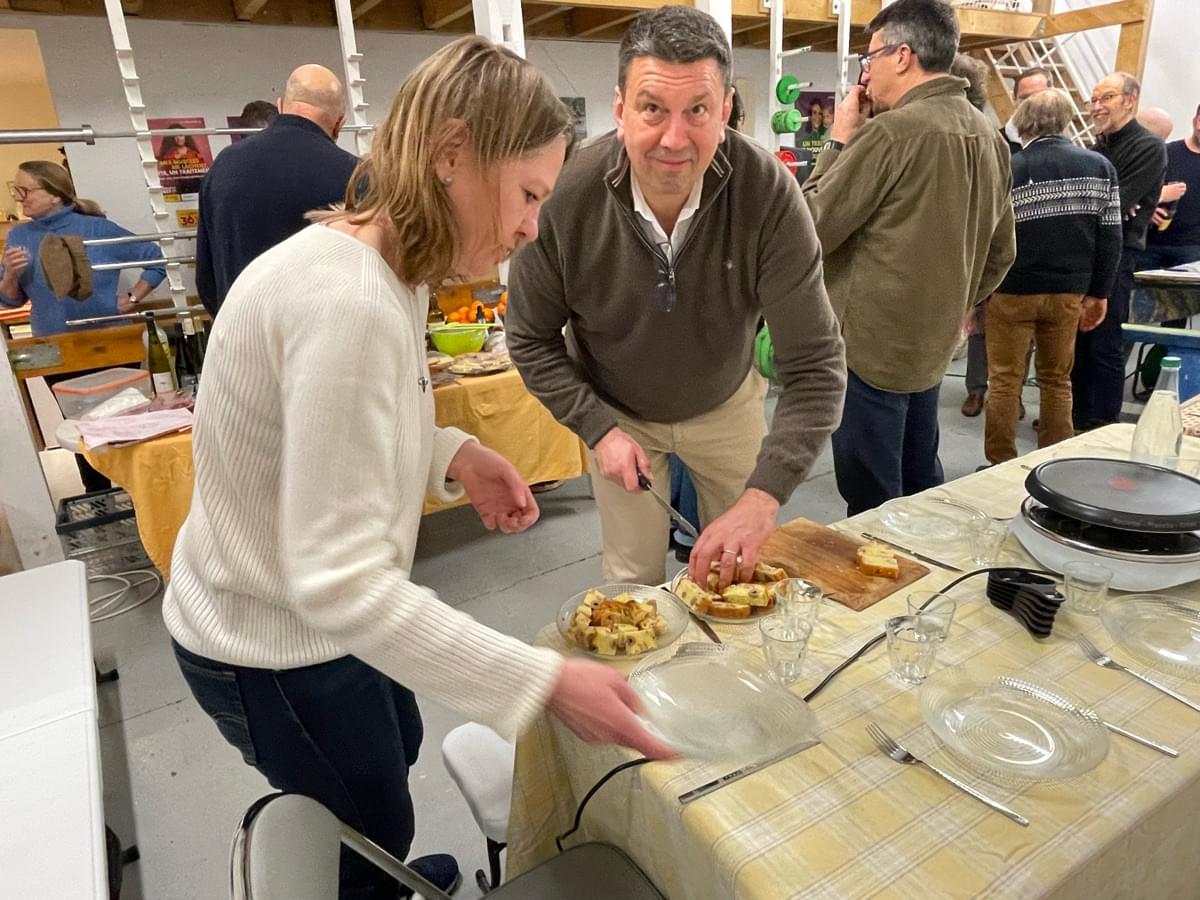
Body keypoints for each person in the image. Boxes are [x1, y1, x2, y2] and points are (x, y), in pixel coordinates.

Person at [164, 37, 672, 900]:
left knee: (389, 753)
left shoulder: (378, 271)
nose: (530, 228)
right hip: (270, 643)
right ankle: (377, 875)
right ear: (450, 155)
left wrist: (454, 453)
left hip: (297, 620)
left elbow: (329, 436)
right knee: (363, 818)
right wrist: (541, 682)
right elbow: (338, 583)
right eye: (527, 195)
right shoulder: (352, 300)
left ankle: (384, 863)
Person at [508, 5, 846, 588]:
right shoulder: (565, 196)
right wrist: (597, 428)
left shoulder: (768, 195)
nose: (674, 138)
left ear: (726, 111)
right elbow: (530, 339)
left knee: (743, 569)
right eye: (652, 108)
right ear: (619, 108)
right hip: (619, 413)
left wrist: (764, 499)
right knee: (631, 579)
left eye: (698, 111)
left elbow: (816, 367)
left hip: (727, 399)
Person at [801, 0, 1014, 516]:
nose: (865, 73)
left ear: (902, 55)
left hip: (869, 352)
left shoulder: (892, 133)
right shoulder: (990, 135)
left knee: (873, 504)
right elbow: (1002, 251)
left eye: (868, 58)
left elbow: (809, 228)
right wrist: (958, 301)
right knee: (924, 488)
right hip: (934, 347)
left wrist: (837, 140)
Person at [0, 161, 166, 491]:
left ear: (53, 194)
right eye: (15, 190)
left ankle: (139, 496)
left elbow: (154, 257)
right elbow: (10, 300)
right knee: (80, 431)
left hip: (111, 345)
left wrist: (132, 298)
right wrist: (11, 275)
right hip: (56, 351)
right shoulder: (18, 236)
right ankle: (99, 499)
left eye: (25, 190)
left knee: (124, 426)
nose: (20, 199)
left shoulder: (97, 229)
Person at [984, 89, 1122, 464]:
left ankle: (999, 463)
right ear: (1065, 121)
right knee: (1057, 380)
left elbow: (989, 235)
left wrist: (979, 295)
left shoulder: (1010, 168)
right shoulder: (1100, 167)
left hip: (1012, 291)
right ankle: (1054, 464)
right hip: (1068, 293)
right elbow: (1110, 236)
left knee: (1004, 381)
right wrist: (1099, 292)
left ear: (1024, 123)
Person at [194, 64, 358, 317]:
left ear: (280, 105)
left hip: (243, 337)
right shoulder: (353, 174)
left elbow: (206, 279)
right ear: (340, 123)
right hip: (324, 337)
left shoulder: (223, 167)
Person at [1073, 72, 1167, 430]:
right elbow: (1097, 206)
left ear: (1130, 99)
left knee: (1105, 340)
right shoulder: (1096, 149)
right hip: (1086, 254)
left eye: (1106, 98)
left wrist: (1109, 205)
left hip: (1118, 254)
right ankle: (1076, 415)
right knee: (1079, 340)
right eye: (1094, 100)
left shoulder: (1147, 147)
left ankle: (1102, 421)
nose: (1097, 107)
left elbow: (1118, 204)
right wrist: (1108, 205)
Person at [963, 61, 1051, 419]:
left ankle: (1010, 396)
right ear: (1015, 100)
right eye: (1025, 97)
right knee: (979, 325)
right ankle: (975, 389)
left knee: (1022, 338)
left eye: (1039, 96)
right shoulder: (997, 140)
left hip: (1031, 254)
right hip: (992, 245)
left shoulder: (1059, 147)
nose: (1031, 103)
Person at [1136, 103, 1199, 325]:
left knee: (1177, 317)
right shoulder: (1166, 153)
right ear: (1195, 120)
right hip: (1151, 244)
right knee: (1133, 308)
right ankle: (1120, 355)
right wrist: (1149, 208)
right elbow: (1137, 192)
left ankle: (1167, 358)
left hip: (1190, 251)